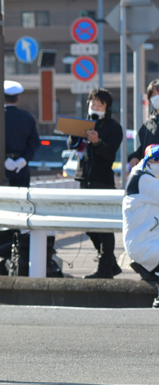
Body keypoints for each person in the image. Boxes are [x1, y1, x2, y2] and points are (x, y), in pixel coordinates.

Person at [67, 88, 123, 279]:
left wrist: (98, 142)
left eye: (100, 104)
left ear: (107, 107)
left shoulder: (114, 127)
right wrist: (76, 132)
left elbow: (110, 155)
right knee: (89, 226)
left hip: (103, 180)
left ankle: (105, 269)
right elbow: (71, 144)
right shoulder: (84, 123)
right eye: (92, 103)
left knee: (104, 227)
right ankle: (111, 263)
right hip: (85, 178)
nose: (95, 106)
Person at [123, 144, 159, 282]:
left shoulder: (144, 174)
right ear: (151, 161)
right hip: (144, 243)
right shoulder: (143, 179)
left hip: (147, 239)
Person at [3, 80, 40, 187]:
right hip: (22, 168)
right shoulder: (27, 118)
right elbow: (35, 142)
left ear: (3, 98)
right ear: (18, 99)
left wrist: (4, 159)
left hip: (1, 167)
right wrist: (24, 159)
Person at [129, 79, 159, 169]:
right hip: (152, 175)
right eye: (153, 95)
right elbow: (144, 149)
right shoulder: (147, 125)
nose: (157, 98)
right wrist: (135, 157)